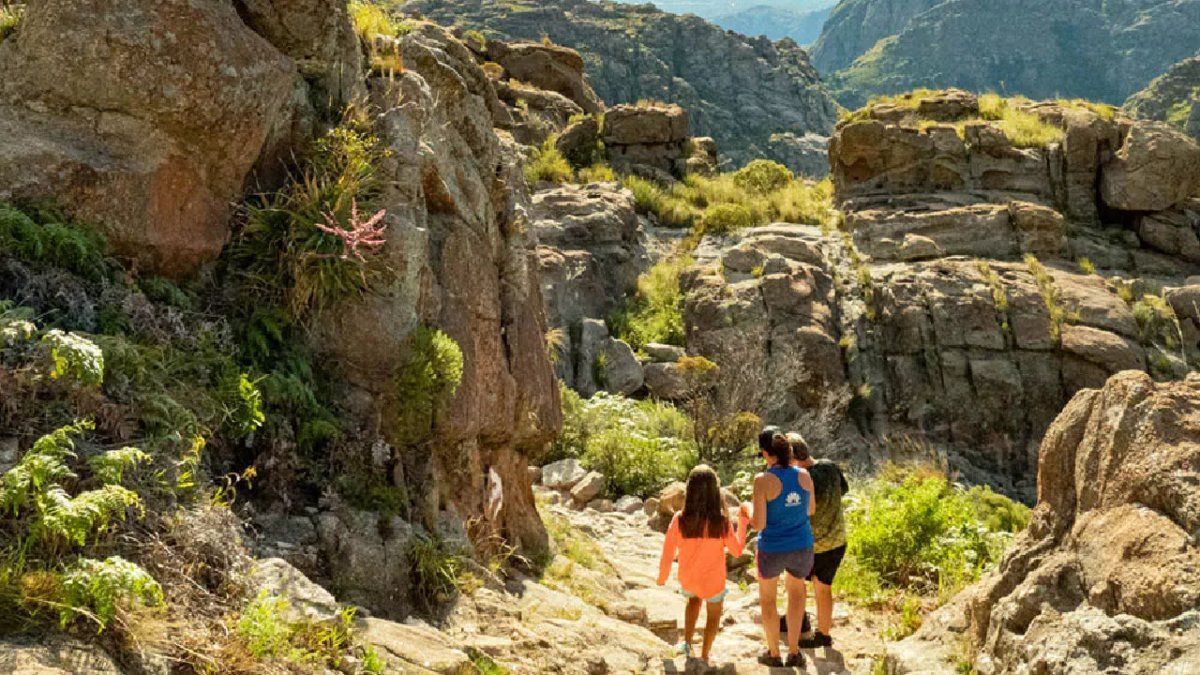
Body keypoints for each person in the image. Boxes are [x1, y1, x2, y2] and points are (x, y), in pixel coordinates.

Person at [657, 464, 749, 665]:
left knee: (692, 602)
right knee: (713, 617)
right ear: (716, 492)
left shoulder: (680, 519)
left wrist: (662, 577)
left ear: (689, 490)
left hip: (689, 578)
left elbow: (667, 552)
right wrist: (742, 522)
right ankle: (705, 654)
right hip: (713, 581)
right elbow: (737, 551)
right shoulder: (721, 521)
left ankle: (687, 643)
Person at [745, 431, 816, 667]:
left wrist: (746, 510)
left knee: (768, 600)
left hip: (772, 547)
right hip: (801, 544)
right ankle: (794, 652)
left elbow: (759, 524)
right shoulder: (804, 475)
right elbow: (810, 510)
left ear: (766, 454)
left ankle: (774, 653)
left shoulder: (762, 480)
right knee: (797, 595)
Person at [788, 432, 849, 649]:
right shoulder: (830, 466)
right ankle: (823, 635)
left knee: (797, 587)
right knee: (824, 588)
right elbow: (844, 489)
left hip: (809, 546)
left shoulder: (800, 479)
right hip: (836, 541)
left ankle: (800, 623)